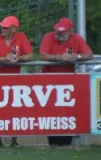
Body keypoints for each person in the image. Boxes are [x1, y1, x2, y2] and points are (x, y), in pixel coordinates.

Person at [39, 17, 93, 146]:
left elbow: (89, 55)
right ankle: (53, 142)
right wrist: (58, 57)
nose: (58, 33)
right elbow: (42, 55)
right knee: (51, 113)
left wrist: (77, 56)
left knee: (67, 112)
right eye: (57, 31)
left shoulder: (77, 39)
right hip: (50, 82)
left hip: (68, 84)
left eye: (62, 31)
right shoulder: (49, 37)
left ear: (70, 31)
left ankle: (67, 142)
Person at [0, 16, 33, 148]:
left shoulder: (21, 37)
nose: (3, 29)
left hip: (14, 79)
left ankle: (14, 140)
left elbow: (30, 55)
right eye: (2, 26)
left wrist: (19, 58)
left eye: (6, 27)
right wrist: (4, 59)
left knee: (14, 108)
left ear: (14, 29)